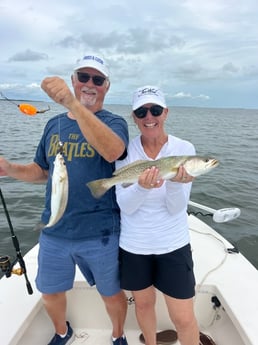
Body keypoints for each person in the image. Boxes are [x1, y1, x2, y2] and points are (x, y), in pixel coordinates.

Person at [0, 54, 129, 345]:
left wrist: (72, 103)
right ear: (73, 81)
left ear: (106, 86)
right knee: (51, 292)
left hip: (101, 233)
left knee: (111, 292)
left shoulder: (114, 122)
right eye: (83, 77)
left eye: (97, 79)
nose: (89, 84)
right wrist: (9, 169)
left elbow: (113, 151)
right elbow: (42, 171)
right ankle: (62, 332)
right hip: (55, 231)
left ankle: (118, 336)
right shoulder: (54, 125)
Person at [115, 86, 200, 345]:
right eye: (141, 111)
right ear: (134, 116)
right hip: (134, 246)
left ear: (166, 112)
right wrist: (141, 187)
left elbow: (176, 208)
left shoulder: (184, 149)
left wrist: (174, 182)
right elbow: (126, 206)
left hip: (172, 244)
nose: (148, 116)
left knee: (184, 318)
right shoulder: (124, 152)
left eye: (155, 110)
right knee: (143, 306)